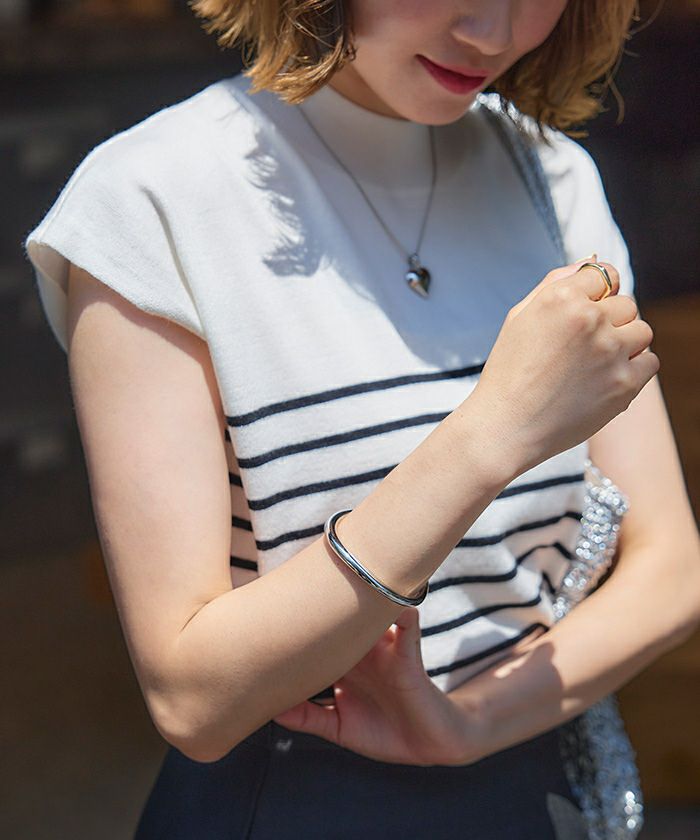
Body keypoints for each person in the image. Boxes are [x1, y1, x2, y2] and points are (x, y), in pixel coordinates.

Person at [23, 1, 700, 838]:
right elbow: (192, 698)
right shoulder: (154, 198)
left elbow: (672, 568)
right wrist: (490, 433)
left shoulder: (549, 176)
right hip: (290, 804)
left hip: (535, 783)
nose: (492, 33)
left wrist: (469, 726)